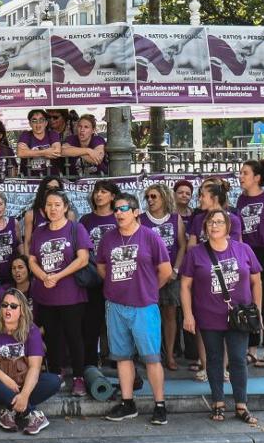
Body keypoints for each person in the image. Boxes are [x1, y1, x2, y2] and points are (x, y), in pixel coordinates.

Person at [181, 208, 263, 425]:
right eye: (210, 222)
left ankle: (241, 405)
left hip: (239, 316)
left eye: (219, 222)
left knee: (238, 359)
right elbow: (185, 286)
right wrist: (188, 314)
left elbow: (256, 281)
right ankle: (218, 402)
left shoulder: (243, 249)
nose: (214, 226)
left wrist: (258, 309)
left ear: (228, 227)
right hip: (208, 315)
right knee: (214, 359)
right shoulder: (195, 253)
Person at [98, 193, 173, 425]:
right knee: (122, 357)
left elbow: (166, 270)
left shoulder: (150, 237)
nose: (118, 213)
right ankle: (127, 402)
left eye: (123, 209)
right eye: (116, 209)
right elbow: (101, 268)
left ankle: (159, 404)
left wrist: (149, 288)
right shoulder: (108, 239)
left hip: (144, 306)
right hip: (116, 306)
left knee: (151, 358)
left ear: (135, 212)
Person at [27, 190, 90, 396]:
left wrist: (58, 276)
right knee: (52, 337)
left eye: (56, 204)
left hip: (71, 294)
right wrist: (44, 277)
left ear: (65, 207)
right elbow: (32, 260)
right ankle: (56, 374)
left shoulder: (75, 228)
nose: (52, 209)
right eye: (49, 205)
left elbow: (83, 259)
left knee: (74, 336)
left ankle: (79, 377)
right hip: (46, 295)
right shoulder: (39, 232)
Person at [0, 289, 60, 435]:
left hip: (25, 380)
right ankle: (32, 413)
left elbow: (35, 367)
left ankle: (9, 412)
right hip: (2, 384)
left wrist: (25, 394)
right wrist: (6, 380)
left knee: (54, 380)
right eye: (5, 305)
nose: (8, 309)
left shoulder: (32, 330)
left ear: (22, 310)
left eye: (13, 306)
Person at [141, 183, 188, 372]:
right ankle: (152, 356)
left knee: (170, 315)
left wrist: (175, 270)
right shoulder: (141, 220)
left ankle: (169, 355)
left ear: (164, 198)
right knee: (149, 317)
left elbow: (183, 245)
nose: (150, 200)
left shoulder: (175, 219)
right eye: (148, 197)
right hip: (149, 277)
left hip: (171, 276)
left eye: (154, 197)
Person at [237, 160, 264, 368]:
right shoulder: (240, 200)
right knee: (248, 301)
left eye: (245, 173)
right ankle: (252, 349)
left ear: (257, 177)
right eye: (240, 173)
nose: (241, 176)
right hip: (246, 252)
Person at [79, 180, 120, 368]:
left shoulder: (119, 217)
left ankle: (116, 357)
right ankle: (91, 359)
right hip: (93, 278)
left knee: (115, 321)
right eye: (96, 191)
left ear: (112, 196)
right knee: (92, 321)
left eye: (104, 191)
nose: (99, 195)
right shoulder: (85, 220)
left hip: (117, 277)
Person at [187, 180, 243, 245]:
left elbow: (232, 247)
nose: (200, 199)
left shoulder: (232, 220)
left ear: (215, 198)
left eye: (203, 196)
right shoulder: (198, 219)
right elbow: (191, 248)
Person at [22, 177, 69, 246]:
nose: (52, 191)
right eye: (48, 188)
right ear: (42, 190)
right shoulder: (31, 215)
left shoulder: (69, 214)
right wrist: (28, 257)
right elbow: (27, 243)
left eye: (56, 188)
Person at [17, 109, 61, 178]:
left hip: (51, 179)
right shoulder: (25, 135)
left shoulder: (52, 134)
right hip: (29, 180)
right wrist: (46, 152)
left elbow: (56, 151)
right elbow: (21, 153)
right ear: (30, 123)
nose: (38, 124)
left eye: (41, 120)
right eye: (34, 121)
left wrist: (30, 152)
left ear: (46, 123)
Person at [61, 113, 106, 178]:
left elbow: (97, 158)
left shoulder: (97, 139)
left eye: (86, 127)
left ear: (93, 130)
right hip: (75, 183)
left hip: (97, 180)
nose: (82, 130)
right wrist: (88, 151)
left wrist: (74, 152)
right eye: (80, 126)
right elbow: (62, 151)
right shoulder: (72, 139)